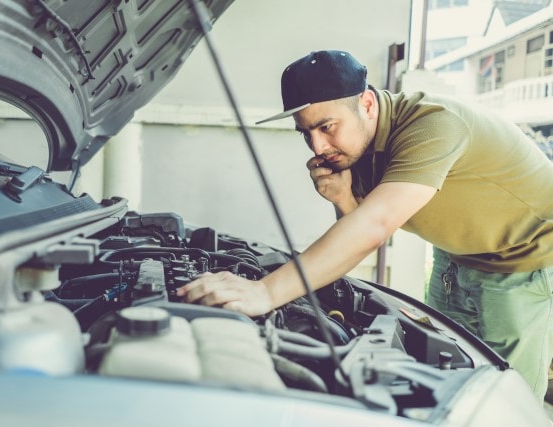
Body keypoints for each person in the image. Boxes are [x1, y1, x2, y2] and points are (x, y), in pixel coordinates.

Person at [176, 49, 553, 401]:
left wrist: (266, 292)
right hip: (456, 259)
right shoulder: (354, 146)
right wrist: (343, 199)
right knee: (450, 383)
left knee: (507, 399)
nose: (318, 146)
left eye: (326, 126)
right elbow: (358, 229)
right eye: (306, 133)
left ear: (367, 104)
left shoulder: (432, 125)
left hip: (524, 263)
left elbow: (375, 226)